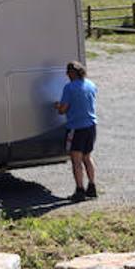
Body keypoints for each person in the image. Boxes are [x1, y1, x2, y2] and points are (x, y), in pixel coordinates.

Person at [55, 60, 97, 201]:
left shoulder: (69, 88)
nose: (66, 75)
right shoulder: (91, 85)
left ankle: (79, 190)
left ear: (72, 73)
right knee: (87, 157)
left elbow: (63, 110)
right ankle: (92, 187)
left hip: (76, 127)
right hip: (91, 126)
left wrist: (57, 106)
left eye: (68, 72)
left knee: (76, 160)